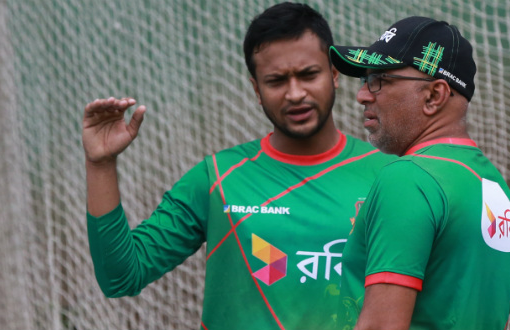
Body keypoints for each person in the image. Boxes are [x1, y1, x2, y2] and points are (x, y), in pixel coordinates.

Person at [82, 3, 395, 330]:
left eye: (308, 75)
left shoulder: (389, 175)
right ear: (256, 90)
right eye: (276, 81)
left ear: (333, 74)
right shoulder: (217, 178)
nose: (295, 93)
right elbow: (121, 277)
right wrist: (100, 163)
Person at [328, 16, 510, 330]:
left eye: (380, 79)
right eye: (364, 79)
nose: (362, 94)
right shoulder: (493, 186)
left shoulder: (408, 179)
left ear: (433, 96)